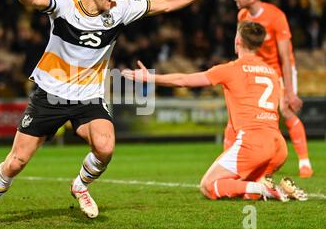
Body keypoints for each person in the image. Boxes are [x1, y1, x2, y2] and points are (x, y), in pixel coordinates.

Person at [0, 0, 224, 226]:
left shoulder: (119, 10)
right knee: (16, 161)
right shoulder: (66, 6)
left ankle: (80, 185)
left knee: (105, 147)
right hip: (50, 95)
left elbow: (164, 3)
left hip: (88, 97)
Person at [122, 21, 307, 202]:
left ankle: (262, 187)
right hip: (278, 146)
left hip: (254, 143)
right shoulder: (271, 72)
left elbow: (183, 80)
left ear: (238, 41)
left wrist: (150, 77)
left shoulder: (230, 69)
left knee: (208, 185)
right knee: (242, 189)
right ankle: (268, 185)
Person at [228, 0, 313, 178]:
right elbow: (238, 48)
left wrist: (290, 91)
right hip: (254, 71)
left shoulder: (276, 16)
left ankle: (304, 163)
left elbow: (285, 56)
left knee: (286, 109)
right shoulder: (242, 16)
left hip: (277, 71)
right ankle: (231, 163)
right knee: (236, 118)